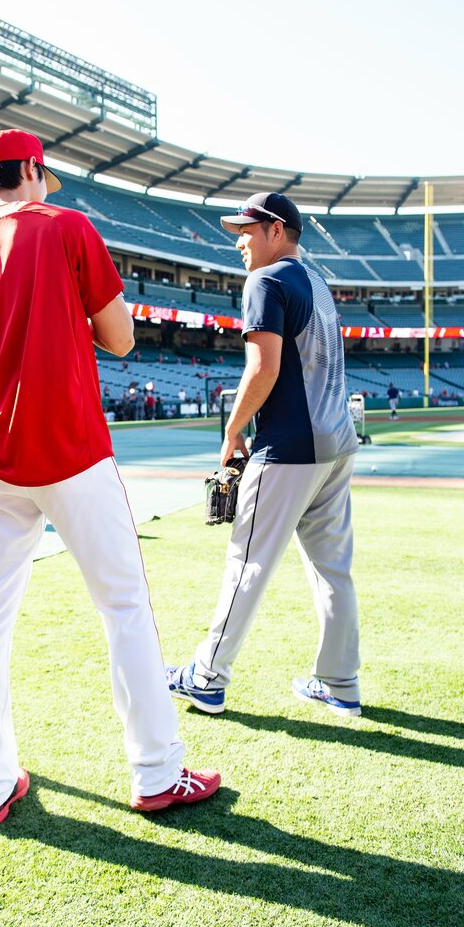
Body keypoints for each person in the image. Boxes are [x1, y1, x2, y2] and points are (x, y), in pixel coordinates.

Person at [0, 127, 220, 827]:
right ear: (32, 169)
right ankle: (156, 772)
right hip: (71, 448)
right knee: (123, 606)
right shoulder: (67, 226)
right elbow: (122, 338)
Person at [167, 192, 362, 718]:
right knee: (333, 570)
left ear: (276, 230)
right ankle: (341, 683)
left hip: (291, 448)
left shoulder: (266, 280)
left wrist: (233, 432)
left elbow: (263, 368)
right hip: (337, 445)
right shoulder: (317, 282)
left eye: (246, 230)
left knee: (246, 562)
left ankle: (206, 678)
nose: (238, 242)